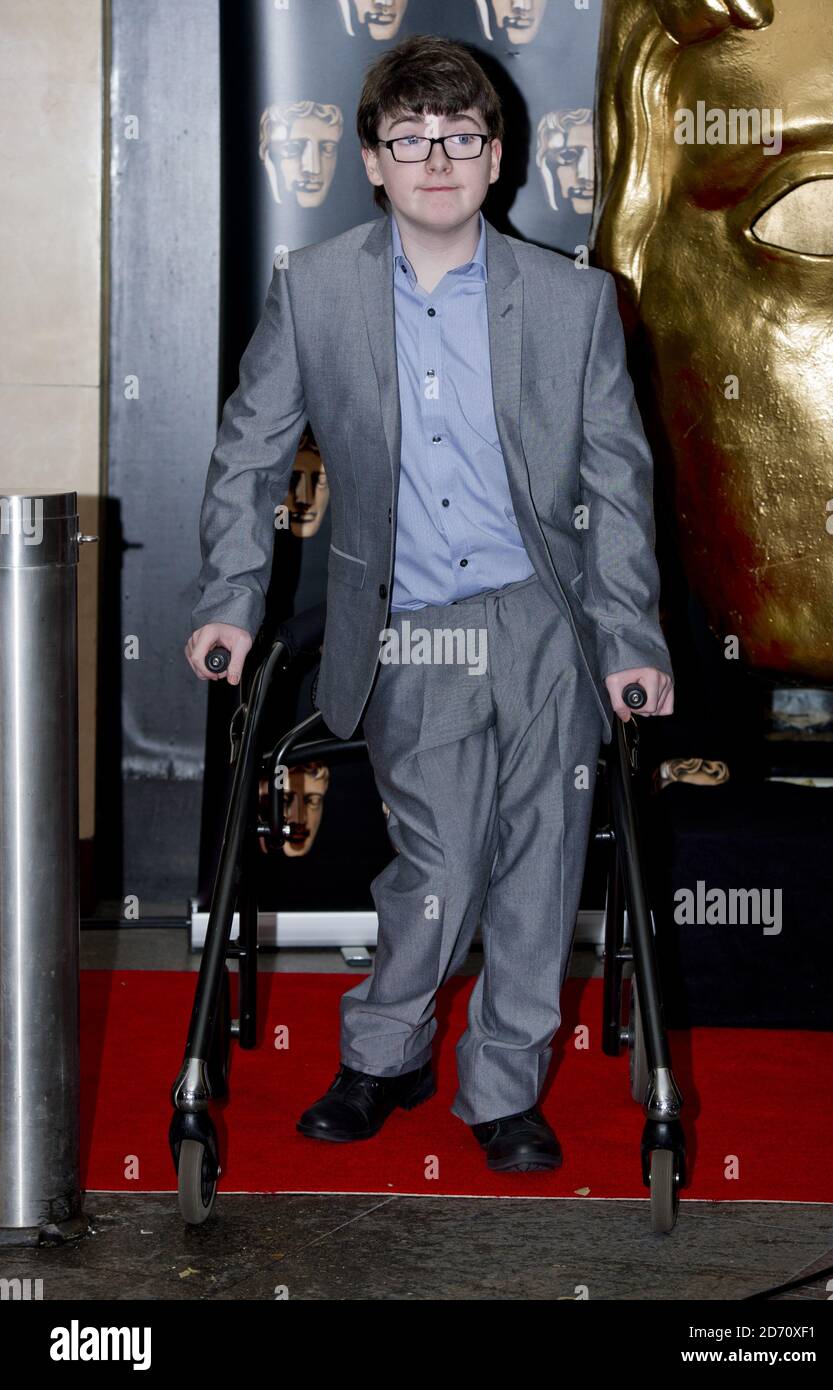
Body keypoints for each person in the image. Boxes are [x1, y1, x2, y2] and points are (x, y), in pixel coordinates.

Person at [185, 34, 674, 1173]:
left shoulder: (573, 303)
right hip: (414, 623)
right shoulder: (315, 292)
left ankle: (503, 1085)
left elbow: (615, 483)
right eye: (409, 140)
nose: (436, 159)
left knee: (542, 858)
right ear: (371, 161)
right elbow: (248, 458)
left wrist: (630, 639)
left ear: (497, 156)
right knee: (441, 860)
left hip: (545, 619)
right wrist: (228, 602)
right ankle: (382, 1051)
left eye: (460, 137)